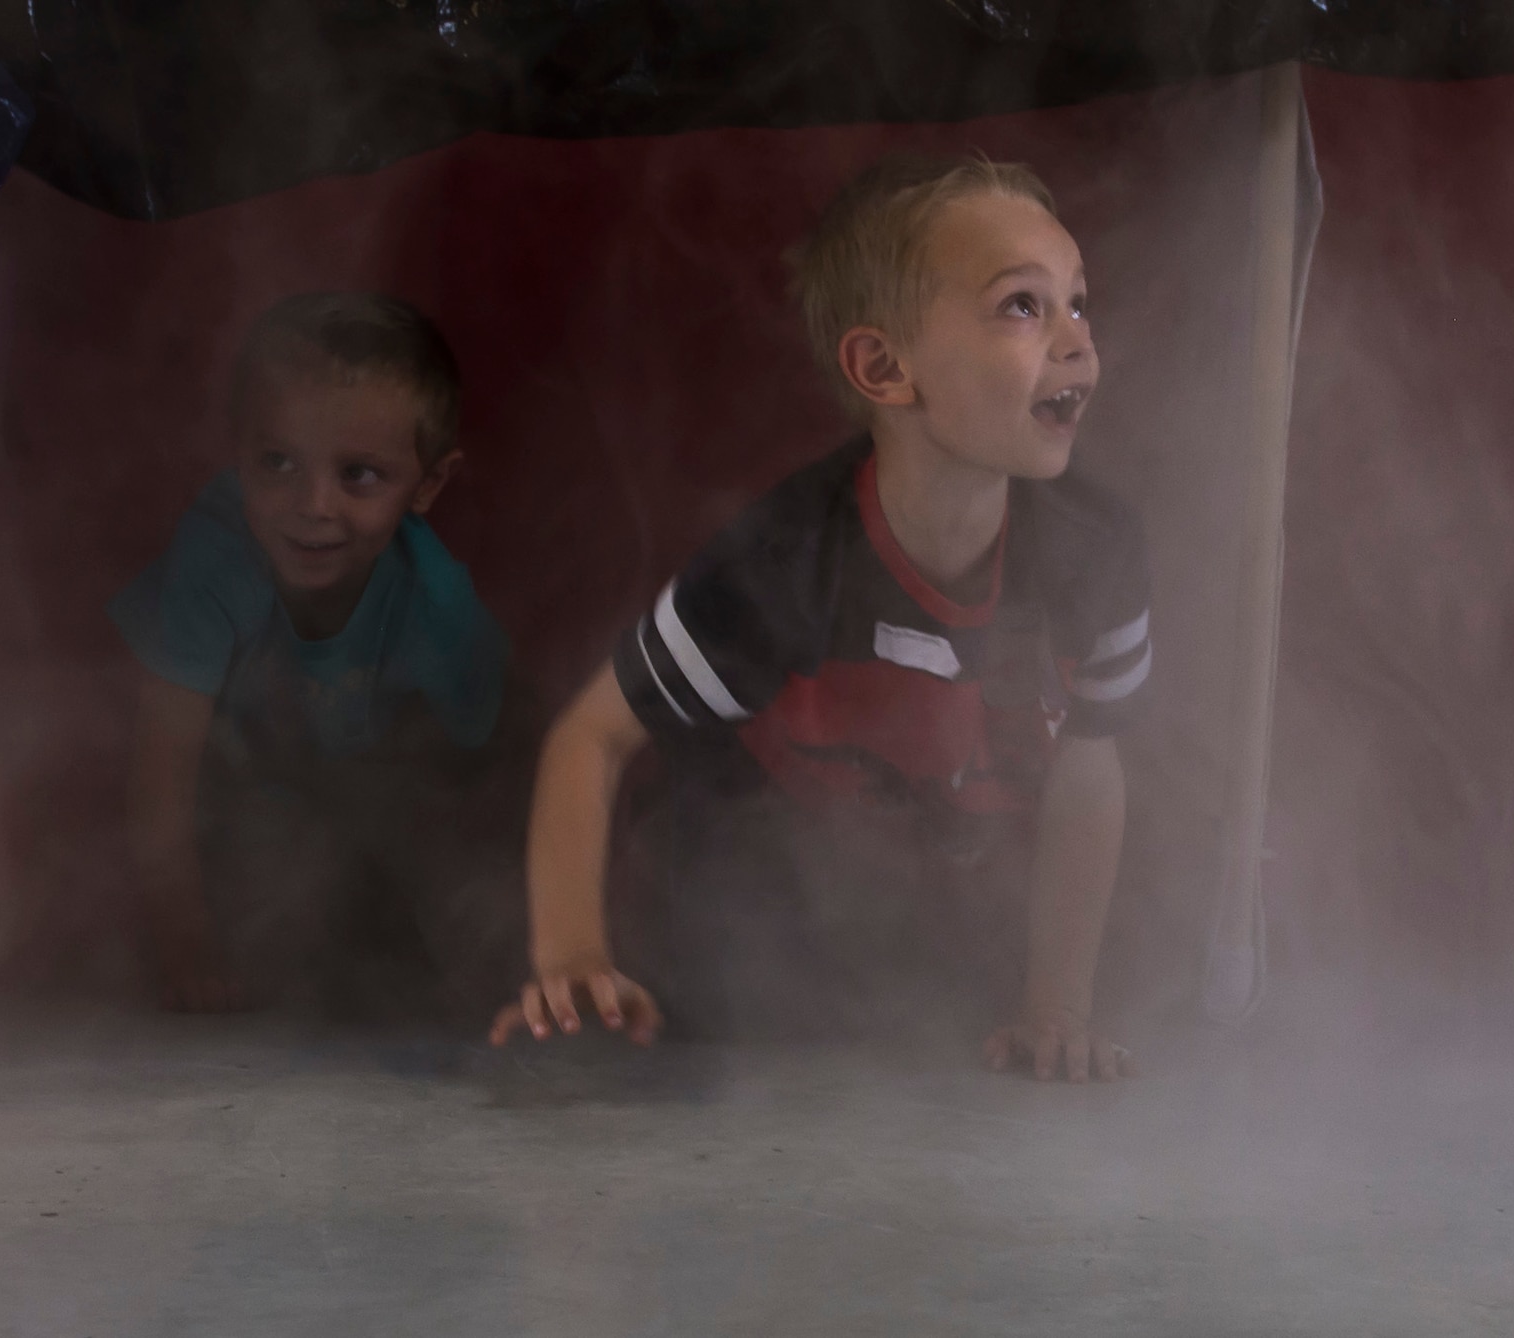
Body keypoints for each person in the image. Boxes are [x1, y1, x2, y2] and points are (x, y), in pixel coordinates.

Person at [490, 156, 1151, 1082]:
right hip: (738, 991)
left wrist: (1056, 1008)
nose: (1078, 341)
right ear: (885, 367)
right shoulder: (778, 567)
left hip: (944, 991)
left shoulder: (1100, 553)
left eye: (1079, 302)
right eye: (1022, 306)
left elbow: (1090, 770)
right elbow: (591, 736)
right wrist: (571, 963)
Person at [114, 292, 528, 1020]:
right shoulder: (216, 554)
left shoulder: (437, 603)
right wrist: (185, 948)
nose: (313, 505)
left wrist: (521, 937)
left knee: (427, 833)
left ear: (427, 484)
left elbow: (511, 765)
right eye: (277, 462)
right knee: (256, 839)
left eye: (358, 475)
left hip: (352, 794)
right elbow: (160, 773)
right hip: (235, 798)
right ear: (236, 451)